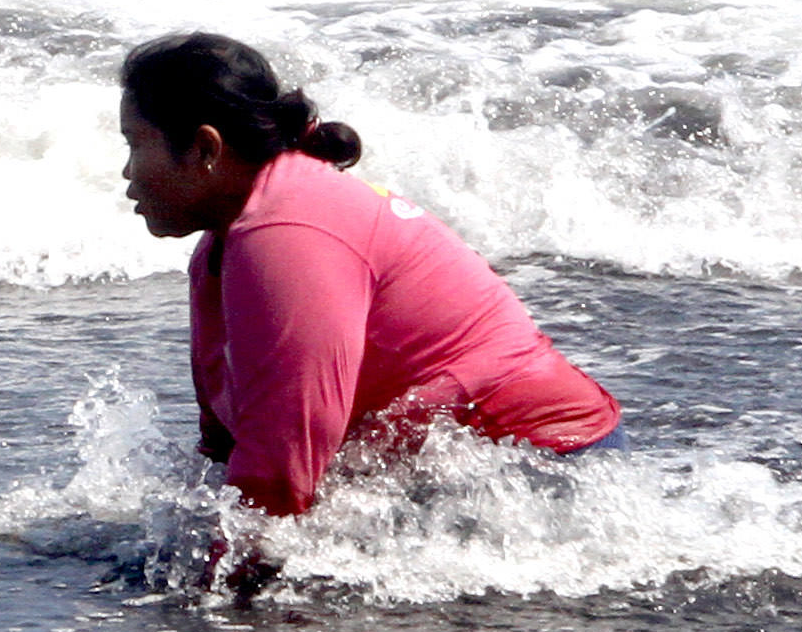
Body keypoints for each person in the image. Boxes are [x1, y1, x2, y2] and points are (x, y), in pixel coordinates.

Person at [117, 32, 620, 523]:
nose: (126, 172)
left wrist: (218, 593)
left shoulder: (287, 234)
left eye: (135, 144)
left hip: (548, 472)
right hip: (470, 472)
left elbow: (281, 463)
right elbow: (227, 450)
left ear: (206, 148)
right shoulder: (227, 242)